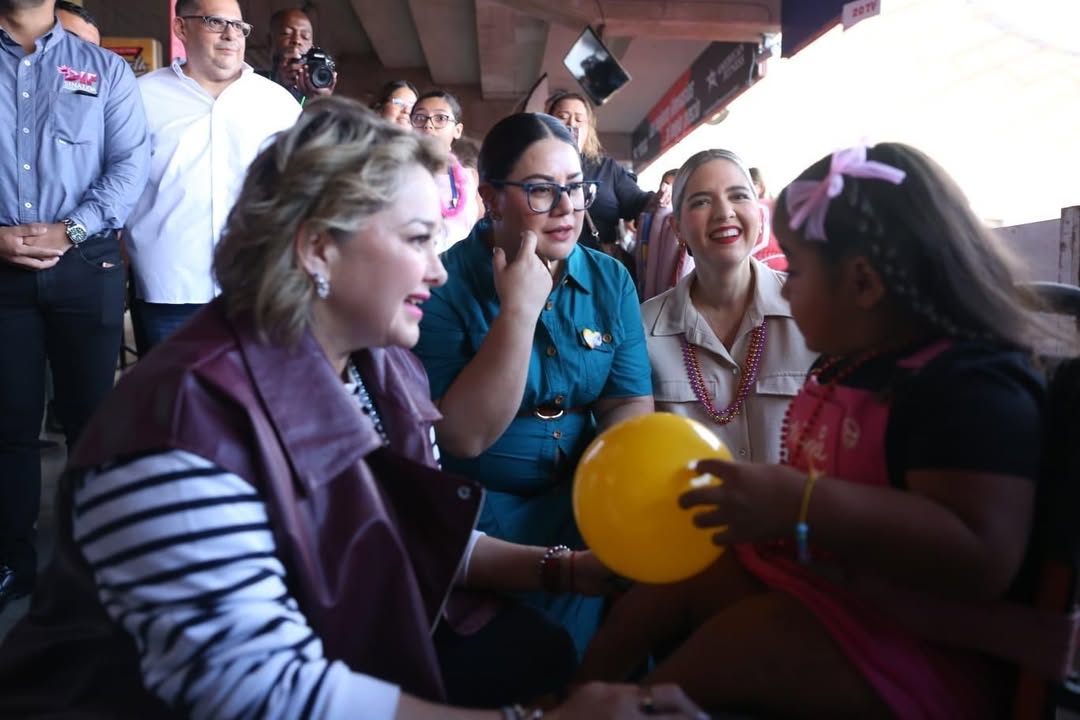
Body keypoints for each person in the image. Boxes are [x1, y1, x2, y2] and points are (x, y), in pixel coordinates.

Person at [0, 97, 704, 720]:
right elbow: (258, 692)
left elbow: (407, 529)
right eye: (417, 239)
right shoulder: (181, 423)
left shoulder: (379, 364)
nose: (437, 268)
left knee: (541, 653)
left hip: (350, 636)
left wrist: (565, 570)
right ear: (317, 249)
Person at [579, 143, 1055, 718]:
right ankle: (576, 695)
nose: (785, 285)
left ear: (863, 284)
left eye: (797, 272)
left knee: (758, 641)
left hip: (927, 646)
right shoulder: (840, 365)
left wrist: (802, 504)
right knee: (678, 581)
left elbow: (982, 557)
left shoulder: (970, 387)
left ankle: (627, 707)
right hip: (829, 596)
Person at [413, 113, 654, 655]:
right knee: (541, 655)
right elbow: (463, 438)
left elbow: (627, 404)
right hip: (482, 512)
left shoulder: (609, 277)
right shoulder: (445, 286)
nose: (568, 208)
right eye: (542, 191)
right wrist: (518, 312)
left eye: (575, 188)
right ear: (492, 198)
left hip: (585, 497)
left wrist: (612, 501)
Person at [0, 0, 149, 614]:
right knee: (7, 428)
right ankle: (12, 564)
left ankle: (94, 564)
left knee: (92, 419)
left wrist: (73, 230)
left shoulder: (103, 68)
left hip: (86, 265)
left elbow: (129, 163)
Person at [124, 0, 301, 352]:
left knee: (257, 401)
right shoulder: (140, 97)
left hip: (259, 288)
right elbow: (118, 183)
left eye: (239, 26)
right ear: (181, 28)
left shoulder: (278, 104)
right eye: (214, 22)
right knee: (172, 402)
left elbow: (301, 190)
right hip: (170, 288)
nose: (230, 35)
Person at [641, 150, 815, 464]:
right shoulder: (643, 331)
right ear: (678, 229)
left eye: (738, 196)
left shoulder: (811, 310)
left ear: (760, 215)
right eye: (701, 201)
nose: (724, 212)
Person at [546, 91, 653, 251]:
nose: (571, 124)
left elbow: (640, 203)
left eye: (579, 119)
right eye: (563, 117)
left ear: (588, 128)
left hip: (598, 265)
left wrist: (662, 198)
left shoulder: (606, 168)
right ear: (548, 124)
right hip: (548, 263)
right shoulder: (534, 166)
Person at [410, 89, 479, 250]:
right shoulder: (397, 175)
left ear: (458, 130)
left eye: (440, 118)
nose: (428, 125)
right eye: (420, 118)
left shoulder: (471, 178)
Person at [636, 168, 690, 301]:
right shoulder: (648, 219)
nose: (665, 189)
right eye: (664, 183)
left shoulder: (679, 222)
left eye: (671, 186)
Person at [265, 6, 336, 102]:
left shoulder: (316, 87)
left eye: (305, 37)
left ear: (311, 48)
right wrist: (278, 85)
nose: (297, 40)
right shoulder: (251, 81)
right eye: (287, 33)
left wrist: (322, 102)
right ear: (269, 42)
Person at [747, 165, 786, 271]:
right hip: (786, 265)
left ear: (760, 186)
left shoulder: (759, 207)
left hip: (760, 268)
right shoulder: (780, 206)